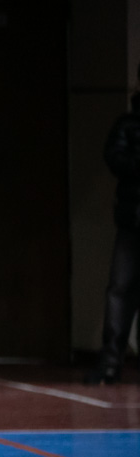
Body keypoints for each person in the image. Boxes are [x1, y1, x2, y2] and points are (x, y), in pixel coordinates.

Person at [88, 63, 140, 385]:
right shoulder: (128, 123)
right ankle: (110, 363)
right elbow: (114, 157)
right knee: (120, 291)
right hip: (132, 221)